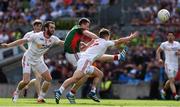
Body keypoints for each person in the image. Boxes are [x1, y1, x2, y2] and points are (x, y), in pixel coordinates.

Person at [54, 28, 138, 104]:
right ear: (107, 36)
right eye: (109, 37)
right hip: (85, 61)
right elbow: (119, 40)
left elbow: (101, 56)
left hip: (85, 60)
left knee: (99, 74)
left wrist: (117, 56)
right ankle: (59, 91)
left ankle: (92, 92)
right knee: (75, 78)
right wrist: (130, 38)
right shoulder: (105, 42)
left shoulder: (97, 41)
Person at [63, 17, 128, 103]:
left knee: (95, 74)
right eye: (87, 26)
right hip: (79, 57)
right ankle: (62, 91)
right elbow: (92, 37)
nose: (88, 28)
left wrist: (85, 45)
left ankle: (78, 93)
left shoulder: (78, 33)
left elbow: (89, 48)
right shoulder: (81, 30)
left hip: (82, 56)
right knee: (76, 78)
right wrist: (99, 40)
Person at [0, 21, 64, 103]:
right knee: (26, 81)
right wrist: (8, 45)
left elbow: (62, 43)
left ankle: (40, 98)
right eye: (51, 27)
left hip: (38, 60)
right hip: (28, 58)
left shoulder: (53, 38)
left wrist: (75, 45)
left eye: (54, 28)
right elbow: (21, 41)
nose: (53, 29)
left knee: (48, 79)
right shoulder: (36, 36)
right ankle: (16, 92)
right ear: (46, 28)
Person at [19, 19, 43, 98]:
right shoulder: (29, 34)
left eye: (40, 26)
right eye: (36, 26)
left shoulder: (43, 35)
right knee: (36, 77)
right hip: (30, 57)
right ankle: (39, 96)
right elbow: (20, 43)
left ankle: (28, 86)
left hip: (39, 58)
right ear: (33, 26)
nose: (38, 27)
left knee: (39, 77)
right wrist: (26, 51)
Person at [156, 32, 180, 100]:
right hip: (168, 64)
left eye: (171, 36)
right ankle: (176, 95)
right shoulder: (164, 44)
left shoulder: (177, 44)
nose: (170, 37)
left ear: (174, 37)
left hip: (175, 64)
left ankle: (163, 91)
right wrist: (159, 59)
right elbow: (158, 51)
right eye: (169, 36)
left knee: (171, 80)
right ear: (167, 37)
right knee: (172, 80)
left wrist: (179, 53)